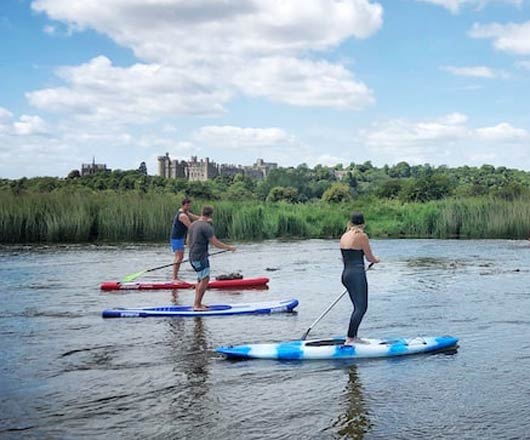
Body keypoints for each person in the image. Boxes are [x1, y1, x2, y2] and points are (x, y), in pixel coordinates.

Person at [339, 212, 380, 345]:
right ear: (363, 223)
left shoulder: (344, 236)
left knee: (357, 307)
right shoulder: (362, 236)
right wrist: (377, 260)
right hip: (357, 275)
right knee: (361, 308)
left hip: (346, 274)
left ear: (351, 222)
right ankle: (351, 338)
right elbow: (369, 258)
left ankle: (353, 336)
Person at [187, 205, 236, 311]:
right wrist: (229, 247)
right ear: (210, 215)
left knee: (200, 279)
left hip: (192, 256)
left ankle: (198, 303)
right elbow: (215, 243)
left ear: (201, 212)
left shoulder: (193, 225)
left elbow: (188, 242)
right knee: (205, 279)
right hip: (200, 257)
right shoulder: (206, 227)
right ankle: (197, 305)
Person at [170, 198, 199, 281]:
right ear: (183, 205)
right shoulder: (182, 215)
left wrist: (203, 219)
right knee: (179, 257)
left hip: (179, 237)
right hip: (176, 238)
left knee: (180, 257)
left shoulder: (185, 212)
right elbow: (191, 227)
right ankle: (174, 278)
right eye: (187, 205)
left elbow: (194, 217)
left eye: (190, 205)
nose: (189, 206)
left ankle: (175, 277)